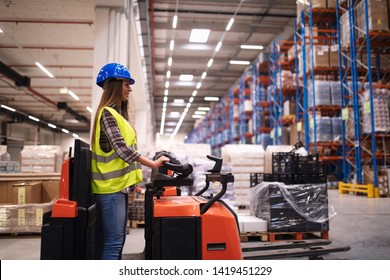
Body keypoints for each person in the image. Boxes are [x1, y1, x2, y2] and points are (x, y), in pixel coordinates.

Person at [91, 62, 169, 260]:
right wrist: (152, 164)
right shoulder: (107, 114)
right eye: (126, 84)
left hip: (119, 189)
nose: (129, 88)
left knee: (118, 241)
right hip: (109, 190)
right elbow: (122, 149)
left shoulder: (119, 116)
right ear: (114, 85)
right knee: (113, 243)